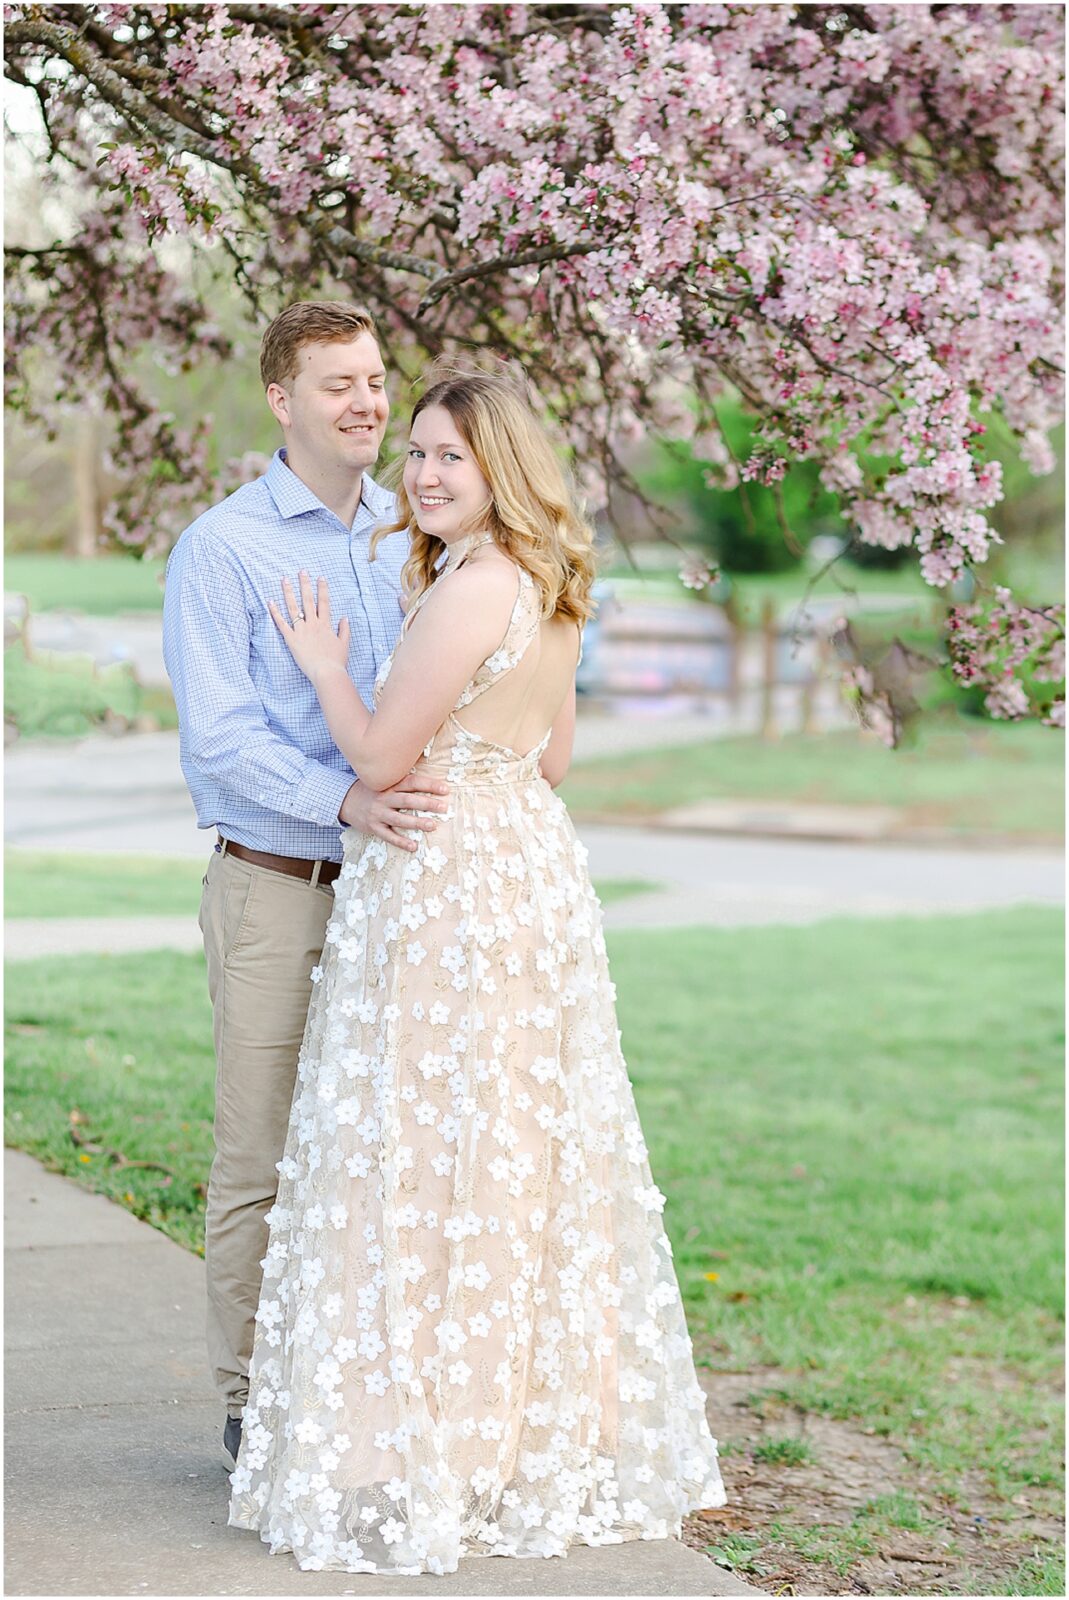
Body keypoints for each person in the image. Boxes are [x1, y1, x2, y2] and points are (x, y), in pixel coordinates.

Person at [227, 368, 726, 1575]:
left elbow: (386, 755)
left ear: (500, 465)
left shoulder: (473, 584)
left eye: (450, 454)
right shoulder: (549, 584)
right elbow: (550, 759)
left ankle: (414, 1446)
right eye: (418, 454)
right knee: (509, 1145)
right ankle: (501, 1436)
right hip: (527, 871)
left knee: (420, 1142)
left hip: (447, 879)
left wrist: (323, 660)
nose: (424, 473)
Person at [162, 302, 450, 1472]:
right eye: (338, 383)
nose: (368, 403)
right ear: (281, 400)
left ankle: (355, 1395)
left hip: (402, 894)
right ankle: (249, 1410)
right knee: (263, 1160)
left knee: (383, 1152)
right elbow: (220, 741)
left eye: (376, 380)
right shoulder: (223, 549)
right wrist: (346, 801)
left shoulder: (415, 530)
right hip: (278, 888)